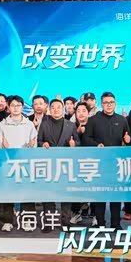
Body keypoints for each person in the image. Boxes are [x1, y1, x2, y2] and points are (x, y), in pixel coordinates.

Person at [81, 92, 129, 229]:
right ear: (101, 104)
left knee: (116, 196)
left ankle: (116, 223)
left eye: (111, 102)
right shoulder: (93, 120)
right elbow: (86, 139)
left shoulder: (122, 120)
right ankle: (100, 223)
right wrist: (96, 145)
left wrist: (128, 140)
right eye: (106, 102)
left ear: (115, 103)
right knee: (100, 195)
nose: (109, 105)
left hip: (116, 163)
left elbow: (127, 138)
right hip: (99, 163)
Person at [36, 99, 80, 232]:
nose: (56, 110)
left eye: (59, 107)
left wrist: (74, 145)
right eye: (53, 107)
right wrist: (43, 144)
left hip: (65, 165)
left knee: (66, 195)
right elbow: (39, 141)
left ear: (63, 109)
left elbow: (78, 142)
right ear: (50, 109)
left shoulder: (70, 125)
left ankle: (66, 222)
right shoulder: (44, 124)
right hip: (49, 165)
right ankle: (49, 222)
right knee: (48, 194)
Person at [0, 95, 37, 231]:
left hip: (25, 163)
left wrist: (31, 145)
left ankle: (27, 220)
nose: (15, 108)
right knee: (8, 192)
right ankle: (7, 221)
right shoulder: (3, 124)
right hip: (8, 163)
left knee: (27, 192)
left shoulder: (29, 124)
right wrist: (2, 145)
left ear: (22, 107)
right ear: (8, 107)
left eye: (18, 105)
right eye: (13, 105)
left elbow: (34, 143)